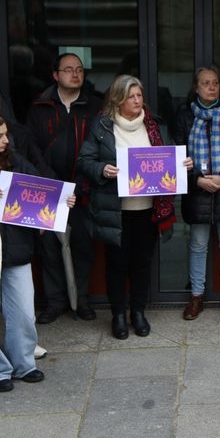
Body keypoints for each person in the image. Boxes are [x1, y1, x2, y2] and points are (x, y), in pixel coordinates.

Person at [78, 75, 189, 339]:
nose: (138, 101)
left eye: (140, 96)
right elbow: (84, 160)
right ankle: (118, 315)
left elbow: (168, 159)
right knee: (116, 264)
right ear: (118, 98)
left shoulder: (155, 127)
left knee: (142, 263)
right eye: (132, 96)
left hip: (147, 210)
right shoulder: (103, 126)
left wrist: (182, 165)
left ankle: (138, 313)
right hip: (115, 210)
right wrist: (102, 169)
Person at [26, 52, 102, 324]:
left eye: (80, 69)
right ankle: (55, 301)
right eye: (69, 69)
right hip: (48, 190)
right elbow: (31, 149)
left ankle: (81, 300)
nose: (75, 74)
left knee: (82, 246)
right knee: (48, 247)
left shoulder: (95, 106)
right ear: (56, 75)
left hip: (83, 189)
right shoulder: (40, 107)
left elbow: (99, 148)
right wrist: (52, 184)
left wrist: (80, 185)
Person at [172, 67, 220, 321]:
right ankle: (196, 296)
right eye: (205, 83)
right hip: (197, 189)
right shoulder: (184, 114)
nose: (211, 87)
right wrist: (197, 179)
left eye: (215, 83)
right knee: (197, 244)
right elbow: (177, 152)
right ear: (196, 87)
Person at [0, 117, 70, 391]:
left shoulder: (15, 160)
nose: (7, 140)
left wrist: (61, 201)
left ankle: (23, 363)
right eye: (1, 136)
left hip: (15, 248)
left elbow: (40, 190)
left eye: (6, 134)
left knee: (24, 312)